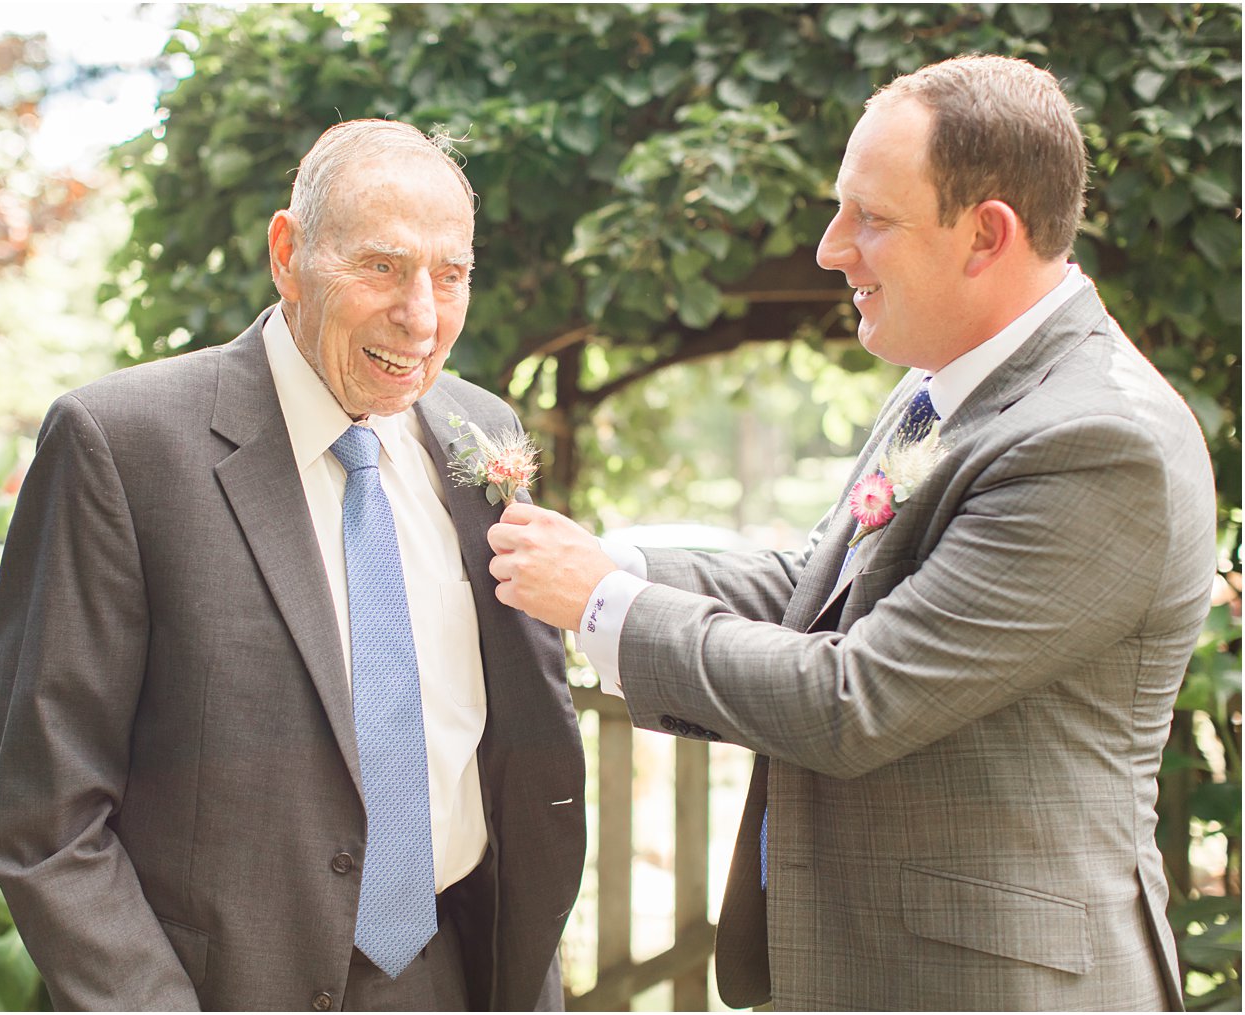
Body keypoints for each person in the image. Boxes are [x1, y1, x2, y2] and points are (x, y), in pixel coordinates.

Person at [487, 54, 1215, 1011]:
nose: (833, 248)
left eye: (871, 218)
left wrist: (600, 602)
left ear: (987, 234)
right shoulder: (945, 385)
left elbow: (855, 696)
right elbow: (820, 584)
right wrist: (611, 560)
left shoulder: (1098, 441)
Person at [0, 119, 586, 1012]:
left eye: (449, 275)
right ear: (288, 253)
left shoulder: (480, 432)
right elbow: (48, 815)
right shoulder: (120, 444)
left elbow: (514, 736)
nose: (420, 316)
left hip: (448, 973)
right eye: (381, 267)